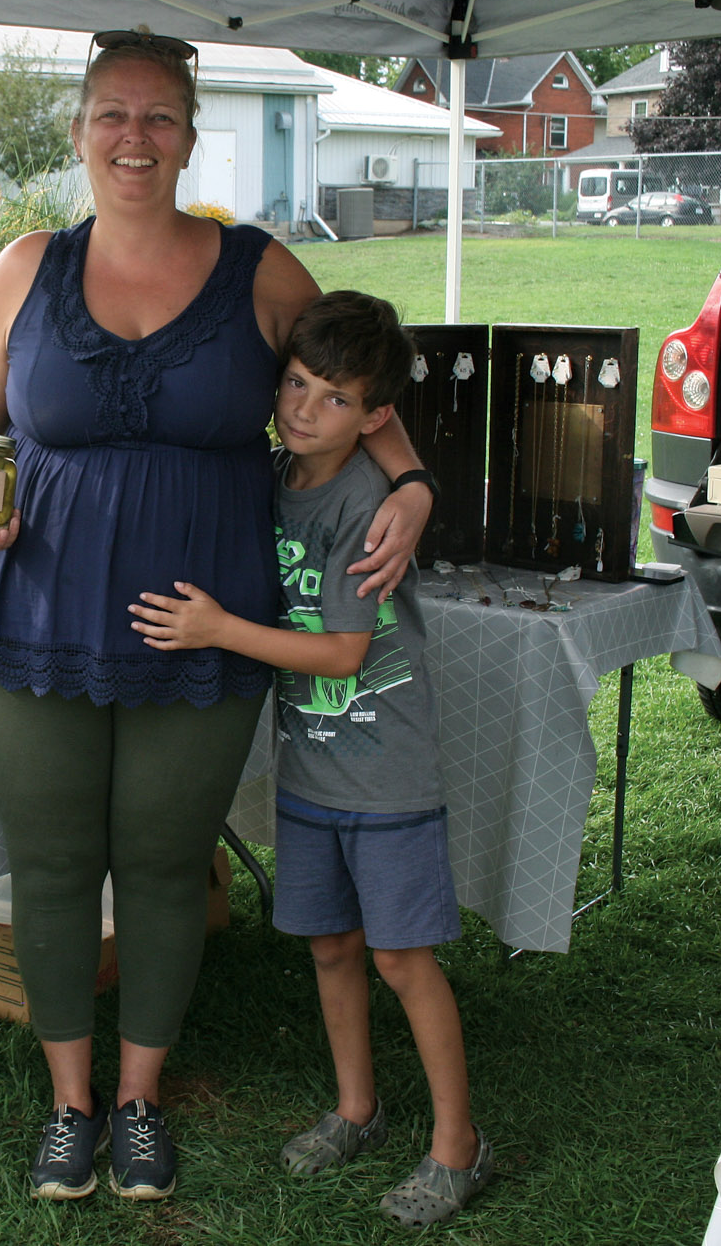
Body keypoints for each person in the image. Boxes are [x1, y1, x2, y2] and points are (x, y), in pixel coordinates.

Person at [0, 27, 434, 1203]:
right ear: (78, 133)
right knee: (51, 863)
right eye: (112, 114)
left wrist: (408, 485)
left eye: (159, 117)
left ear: (191, 134)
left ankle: (140, 1100)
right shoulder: (24, 268)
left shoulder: (256, 272)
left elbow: (359, 391)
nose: (134, 138)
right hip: (30, 613)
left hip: (200, 627)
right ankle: (69, 1107)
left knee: (162, 862)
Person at [130, 290, 490, 1228]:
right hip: (313, 770)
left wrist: (217, 629)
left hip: (385, 771)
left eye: (332, 398)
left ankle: (459, 1145)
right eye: (294, 383)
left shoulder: (364, 502)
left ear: (376, 418)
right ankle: (357, 1108)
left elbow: (341, 652)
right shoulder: (274, 475)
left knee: (404, 958)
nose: (301, 408)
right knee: (332, 947)